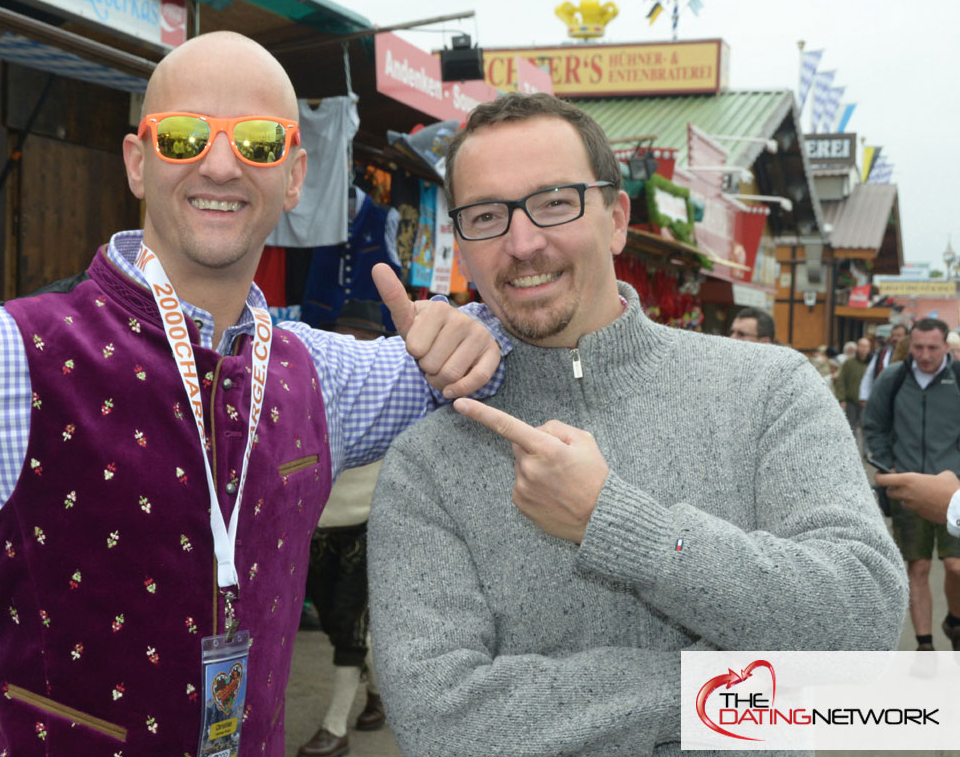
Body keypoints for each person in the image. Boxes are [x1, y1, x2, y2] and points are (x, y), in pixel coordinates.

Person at [0, 33, 505, 757]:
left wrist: (468, 334)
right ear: (136, 161)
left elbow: (527, 322)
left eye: (258, 143)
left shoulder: (319, 371)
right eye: (185, 137)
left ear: (295, 174)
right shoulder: (2, 355)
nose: (221, 166)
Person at [366, 91, 907, 756]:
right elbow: (440, 721)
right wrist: (756, 692)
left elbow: (864, 620)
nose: (522, 241)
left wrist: (623, 527)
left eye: (555, 202)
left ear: (615, 218)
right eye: (485, 215)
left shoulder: (769, 389)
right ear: (462, 243)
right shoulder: (427, 462)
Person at [297, 300, 389, 757]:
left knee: (350, 626)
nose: (353, 345)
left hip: (365, 529)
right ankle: (380, 692)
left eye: (364, 338)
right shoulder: (317, 385)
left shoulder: (396, 395)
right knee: (336, 623)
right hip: (319, 529)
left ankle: (334, 728)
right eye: (346, 336)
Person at [863, 317, 960, 651]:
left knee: (956, 566)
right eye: (918, 346)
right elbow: (873, 425)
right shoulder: (894, 377)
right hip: (908, 487)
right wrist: (885, 463)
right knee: (917, 567)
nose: (925, 354)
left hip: (952, 488)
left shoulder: (958, 377)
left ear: (946, 346)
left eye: (933, 347)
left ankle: (955, 621)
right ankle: (925, 645)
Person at [859, 322, 908, 404]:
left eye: (899, 336)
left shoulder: (912, 355)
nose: (895, 338)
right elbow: (869, 375)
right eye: (893, 335)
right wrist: (864, 397)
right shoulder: (882, 353)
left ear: (906, 337)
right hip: (881, 399)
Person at [834, 336, 871, 435]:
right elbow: (841, 381)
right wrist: (842, 398)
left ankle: (866, 450)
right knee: (851, 428)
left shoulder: (872, 363)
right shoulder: (849, 363)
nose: (864, 349)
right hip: (851, 401)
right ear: (857, 347)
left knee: (866, 428)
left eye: (866, 346)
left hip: (868, 402)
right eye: (862, 346)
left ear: (869, 348)